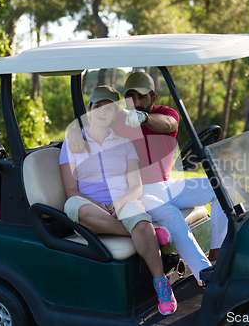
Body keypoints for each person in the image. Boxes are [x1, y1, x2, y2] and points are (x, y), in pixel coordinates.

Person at [69, 72, 228, 285]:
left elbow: (168, 123)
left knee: (221, 186)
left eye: (142, 96)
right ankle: (205, 275)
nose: (135, 102)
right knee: (172, 215)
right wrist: (75, 134)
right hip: (141, 190)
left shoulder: (166, 114)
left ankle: (217, 254)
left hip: (167, 183)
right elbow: (94, 127)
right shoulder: (119, 119)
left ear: (154, 97)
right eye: (130, 96)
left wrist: (144, 118)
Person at [60, 86, 177, 316]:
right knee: (73, 205)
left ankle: (161, 284)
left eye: (109, 108)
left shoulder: (125, 143)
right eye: (96, 106)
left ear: (115, 113)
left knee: (137, 216)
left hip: (122, 201)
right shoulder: (72, 143)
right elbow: (71, 190)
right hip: (89, 206)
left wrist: (121, 201)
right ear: (90, 109)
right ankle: (147, 231)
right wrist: (95, 203)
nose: (102, 112)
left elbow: (136, 186)